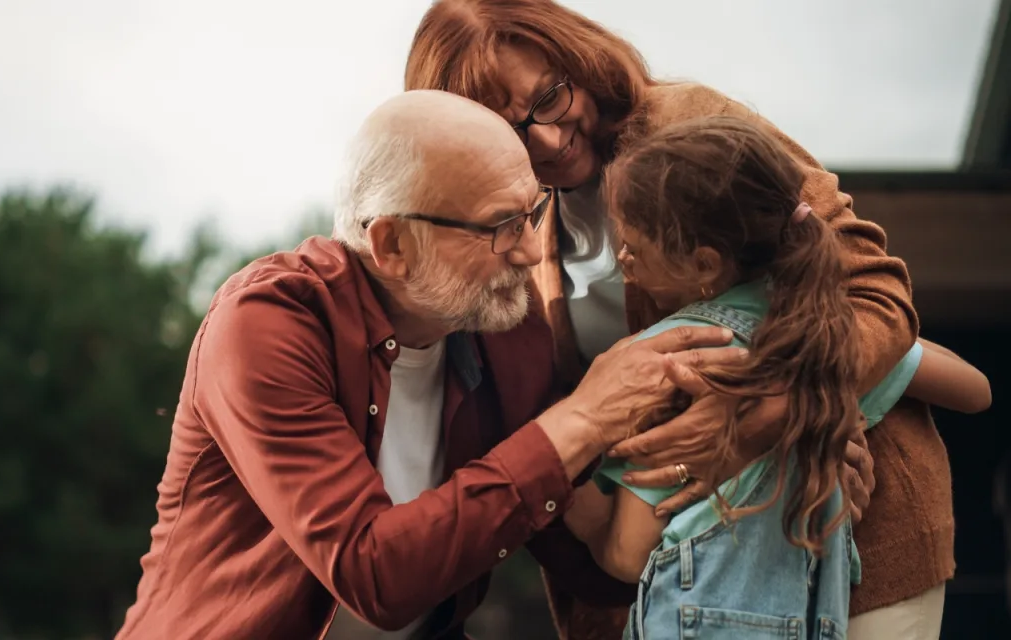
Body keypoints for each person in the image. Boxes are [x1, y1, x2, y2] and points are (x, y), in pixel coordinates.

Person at [405, 1, 954, 637]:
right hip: (693, 580)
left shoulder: (684, 127)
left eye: (550, 97)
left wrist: (770, 414)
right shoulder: (513, 226)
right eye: (511, 128)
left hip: (849, 536)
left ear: (578, 58)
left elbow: (877, 290)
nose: (549, 139)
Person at [112, 90, 745, 640]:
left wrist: (756, 438)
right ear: (390, 244)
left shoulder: (511, 329)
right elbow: (375, 573)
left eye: (533, 212)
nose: (531, 252)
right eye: (501, 226)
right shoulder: (268, 324)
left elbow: (592, 562)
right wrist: (581, 419)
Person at [557, 115, 991, 638]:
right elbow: (975, 391)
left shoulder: (662, 356)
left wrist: (572, 506)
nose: (623, 261)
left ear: (703, 264)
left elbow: (627, 555)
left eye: (633, 247)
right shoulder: (821, 337)